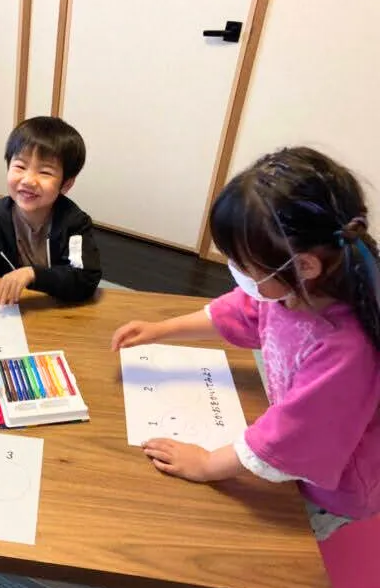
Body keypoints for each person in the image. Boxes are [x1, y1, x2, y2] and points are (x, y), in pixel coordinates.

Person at [111, 147, 380, 540]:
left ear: (305, 265)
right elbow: (241, 312)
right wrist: (160, 330)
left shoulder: (346, 349)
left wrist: (206, 464)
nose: (237, 274)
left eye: (245, 266)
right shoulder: (293, 291)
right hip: (302, 441)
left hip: (333, 485)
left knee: (288, 550)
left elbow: (293, 436)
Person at [0, 116, 101, 304]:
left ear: (66, 184)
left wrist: (32, 274)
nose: (28, 180)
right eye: (20, 166)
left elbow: (85, 278)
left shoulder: (74, 223)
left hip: (55, 307)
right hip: (9, 306)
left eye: (45, 172)